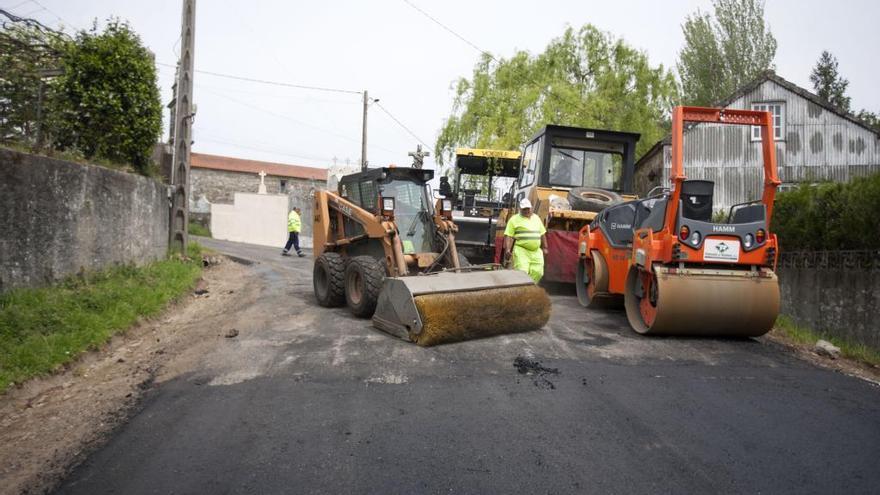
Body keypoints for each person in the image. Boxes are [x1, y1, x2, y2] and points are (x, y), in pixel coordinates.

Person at [502, 198, 547, 283]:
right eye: (524, 209)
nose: (526, 211)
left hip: (536, 251)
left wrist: (545, 247)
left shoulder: (536, 218)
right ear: (520, 209)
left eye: (528, 208)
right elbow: (508, 235)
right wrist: (508, 249)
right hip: (521, 250)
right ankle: (522, 289)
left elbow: (542, 233)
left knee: (538, 272)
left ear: (531, 208)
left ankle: (529, 288)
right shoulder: (514, 219)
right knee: (522, 272)